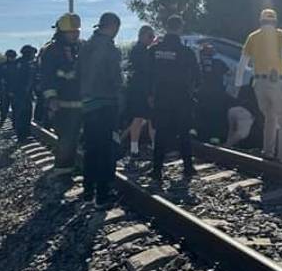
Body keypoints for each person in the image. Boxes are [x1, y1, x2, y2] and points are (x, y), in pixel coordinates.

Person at [234, 8, 282, 164]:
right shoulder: (281, 34)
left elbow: (242, 64)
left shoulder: (252, 37)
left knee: (270, 118)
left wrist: (237, 84)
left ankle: (268, 152)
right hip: (276, 82)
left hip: (258, 84)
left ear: (261, 21)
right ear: (275, 21)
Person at [148, 15, 200, 182]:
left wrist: (150, 95)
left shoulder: (154, 50)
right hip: (182, 97)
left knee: (160, 133)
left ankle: (156, 170)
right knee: (184, 133)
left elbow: (145, 74)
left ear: (166, 27)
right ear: (180, 28)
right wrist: (193, 91)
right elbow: (197, 75)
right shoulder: (186, 52)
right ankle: (188, 168)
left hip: (161, 97)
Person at [81, 12, 124, 207]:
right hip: (106, 104)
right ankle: (103, 195)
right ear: (113, 27)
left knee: (91, 148)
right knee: (106, 149)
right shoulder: (110, 49)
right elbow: (115, 78)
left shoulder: (86, 46)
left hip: (87, 104)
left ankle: (88, 192)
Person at [39, 13, 83, 175]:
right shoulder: (51, 51)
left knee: (75, 137)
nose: (75, 34)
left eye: (77, 31)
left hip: (80, 101)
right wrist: (51, 99)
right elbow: (47, 78)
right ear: (62, 32)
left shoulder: (79, 48)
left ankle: (71, 165)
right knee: (66, 137)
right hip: (62, 103)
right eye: (71, 32)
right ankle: (62, 170)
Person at [126, 25, 156, 159]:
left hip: (140, 89)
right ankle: (135, 149)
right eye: (150, 36)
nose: (152, 39)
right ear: (142, 35)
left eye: (153, 37)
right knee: (141, 118)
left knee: (148, 119)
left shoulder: (140, 50)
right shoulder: (139, 51)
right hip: (141, 90)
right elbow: (146, 72)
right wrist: (149, 93)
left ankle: (147, 147)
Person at [196, 43, 230, 144]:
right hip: (217, 93)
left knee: (201, 113)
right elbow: (229, 73)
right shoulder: (219, 62)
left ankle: (197, 133)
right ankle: (214, 137)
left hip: (202, 92)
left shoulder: (199, 64)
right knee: (216, 115)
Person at [11, 45, 38, 145]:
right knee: (23, 115)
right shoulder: (25, 64)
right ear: (28, 53)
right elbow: (28, 80)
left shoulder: (18, 63)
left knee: (24, 114)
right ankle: (22, 136)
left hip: (22, 93)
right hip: (22, 93)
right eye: (33, 53)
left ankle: (25, 134)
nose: (34, 55)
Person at [0, 49, 17, 128]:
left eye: (13, 56)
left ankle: (14, 123)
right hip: (4, 90)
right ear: (7, 57)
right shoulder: (2, 66)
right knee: (4, 107)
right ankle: (2, 119)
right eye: (10, 56)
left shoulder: (17, 65)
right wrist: (0, 84)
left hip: (14, 90)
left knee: (15, 108)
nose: (11, 58)